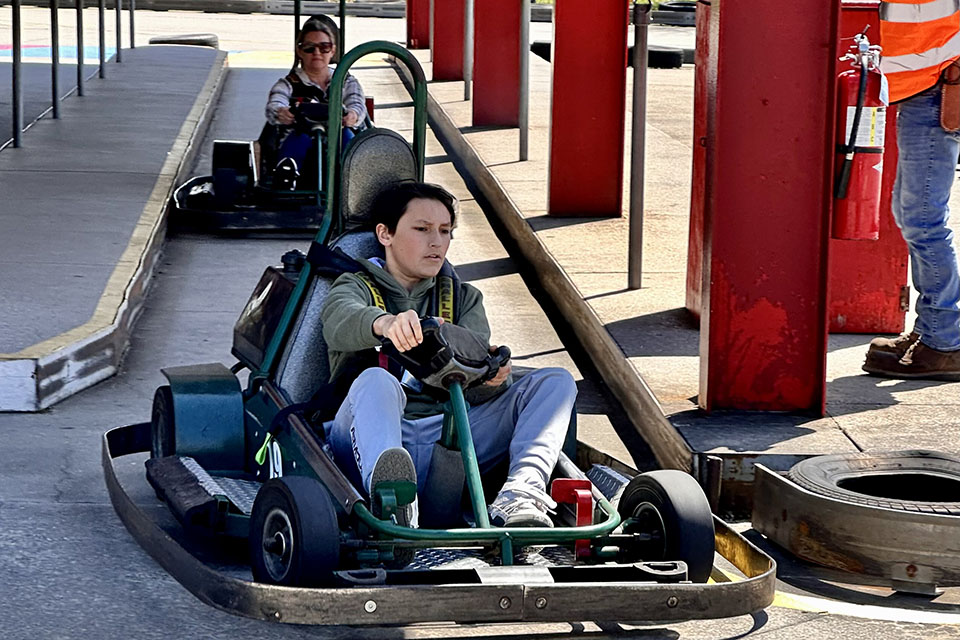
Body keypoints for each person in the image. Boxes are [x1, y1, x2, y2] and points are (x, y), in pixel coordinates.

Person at [320, 182, 577, 528]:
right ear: (385, 234)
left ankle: (520, 494)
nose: (436, 242)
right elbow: (338, 321)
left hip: (451, 434)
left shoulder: (463, 298)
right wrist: (384, 323)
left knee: (556, 381)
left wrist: (492, 380)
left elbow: (474, 383)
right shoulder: (354, 285)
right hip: (368, 436)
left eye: (445, 231)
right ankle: (393, 501)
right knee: (376, 379)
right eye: (422, 229)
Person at [863, 2, 960, 381]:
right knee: (911, 215)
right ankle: (930, 330)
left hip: (939, 86)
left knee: (924, 219)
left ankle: (945, 342)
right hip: (922, 88)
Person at [264, 18, 368, 190]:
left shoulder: (346, 81)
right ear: (300, 51)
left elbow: (356, 103)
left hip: (338, 137)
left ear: (332, 50)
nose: (317, 53)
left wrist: (353, 115)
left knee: (347, 137)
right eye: (309, 48)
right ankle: (286, 180)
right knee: (299, 139)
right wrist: (281, 111)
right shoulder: (288, 84)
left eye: (324, 47)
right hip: (301, 136)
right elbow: (276, 102)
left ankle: (352, 183)